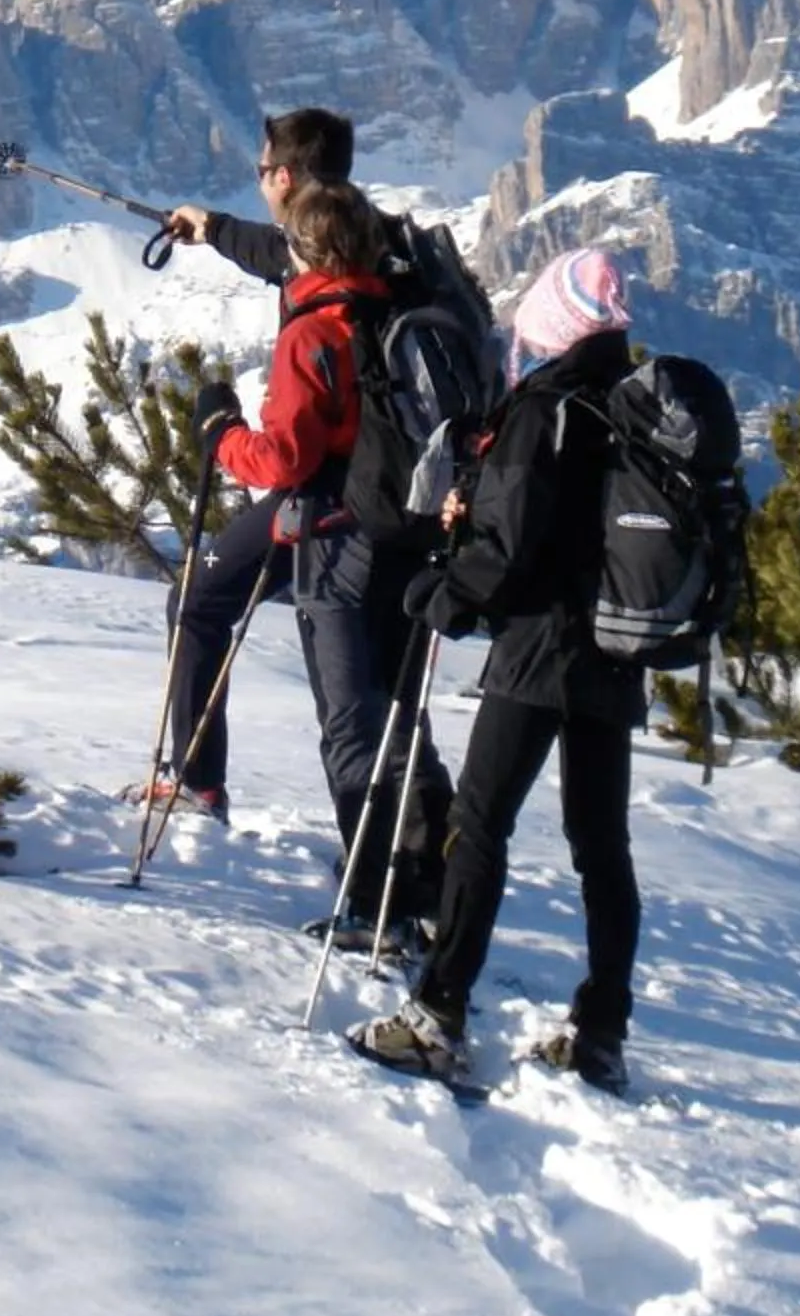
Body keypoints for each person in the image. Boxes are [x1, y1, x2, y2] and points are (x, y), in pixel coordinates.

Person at [349, 246, 646, 1096]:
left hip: (542, 650)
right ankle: (601, 1034)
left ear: (557, 320)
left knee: (479, 824)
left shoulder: (545, 404)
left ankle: (437, 1014)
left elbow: (512, 547)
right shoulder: (632, 399)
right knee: (602, 846)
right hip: (619, 650)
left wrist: (444, 593)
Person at [151, 111, 449, 930]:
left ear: (285, 179)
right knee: (393, 705)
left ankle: (208, 791)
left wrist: (219, 438)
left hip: (325, 515)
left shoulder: (315, 323)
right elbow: (271, 248)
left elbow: (281, 456)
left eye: (261, 172)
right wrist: (213, 230)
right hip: (411, 520)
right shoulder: (389, 256)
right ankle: (422, 881)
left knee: (332, 704)